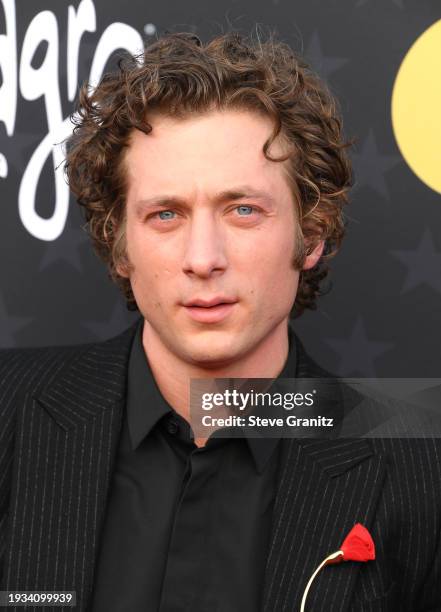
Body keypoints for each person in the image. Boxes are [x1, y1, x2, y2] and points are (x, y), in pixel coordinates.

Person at [0, 31, 440, 612]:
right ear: (120, 243)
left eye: (243, 210)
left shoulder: (419, 466)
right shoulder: (10, 413)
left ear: (311, 234)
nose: (203, 258)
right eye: (165, 214)